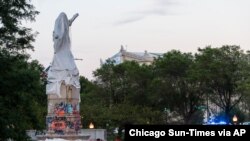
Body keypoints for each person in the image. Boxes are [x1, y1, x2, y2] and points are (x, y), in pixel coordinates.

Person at [46, 12, 80, 98]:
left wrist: (70, 21)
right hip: (64, 57)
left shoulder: (60, 35)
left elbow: (60, 33)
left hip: (63, 56)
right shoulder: (62, 33)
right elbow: (65, 25)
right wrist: (70, 21)